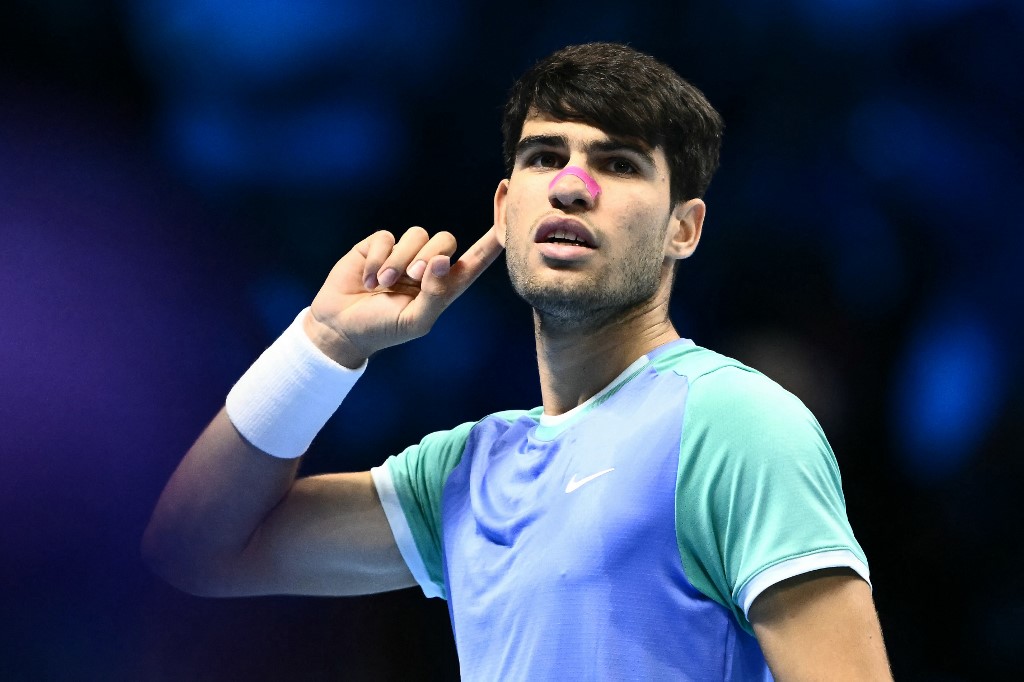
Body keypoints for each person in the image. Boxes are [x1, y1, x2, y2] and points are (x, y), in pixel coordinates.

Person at [144, 43, 892, 680]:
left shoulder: (736, 424)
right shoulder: (467, 470)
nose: (572, 184)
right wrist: (325, 344)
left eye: (620, 163)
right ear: (505, 209)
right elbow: (197, 548)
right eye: (544, 157)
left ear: (684, 229)